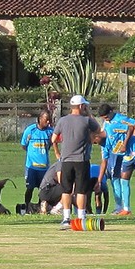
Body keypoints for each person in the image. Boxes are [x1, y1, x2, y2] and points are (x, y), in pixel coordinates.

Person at [51, 95, 101, 229]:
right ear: (81, 106)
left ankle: (66, 218)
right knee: (81, 191)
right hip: (81, 160)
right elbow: (99, 130)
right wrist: (89, 113)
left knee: (66, 190)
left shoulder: (62, 120)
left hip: (66, 160)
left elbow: (54, 138)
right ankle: (81, 217)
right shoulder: (86, 120)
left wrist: (58, 152)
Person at [97, 103, 135, 216]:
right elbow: (104, 161)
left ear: (111, 112)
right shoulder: (107, 126)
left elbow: (134, 126)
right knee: (123, 179)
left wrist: (129, 141)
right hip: (124, 154)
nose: (105, 120)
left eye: (106, 117)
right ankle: (126, 208)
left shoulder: (119, 120)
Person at [20, 109, 53, 211]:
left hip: (44, 167)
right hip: (32, 166)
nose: (48, 122)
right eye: (46, 120)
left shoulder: (50, 132)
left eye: (49, 120)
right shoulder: (30, 130)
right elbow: (23, 145)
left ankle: (40, 208)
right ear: (40, 119)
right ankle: (26, 207)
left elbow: (50, 145)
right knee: (29, 188)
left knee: (42, 190)